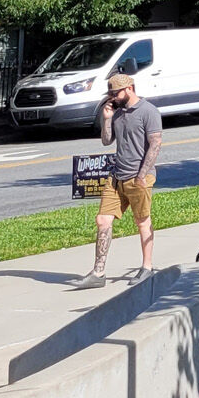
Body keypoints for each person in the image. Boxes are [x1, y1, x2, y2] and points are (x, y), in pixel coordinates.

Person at [78, 72, 162, 289]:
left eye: (116, 93)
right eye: (111, 94)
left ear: (130, 89)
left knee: (142, 221)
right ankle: (98, 273)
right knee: (102, 220)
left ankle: (147, 267)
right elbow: (107, 141)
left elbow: (155, 144)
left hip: (139, 177)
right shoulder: (117, 113)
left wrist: (142, 175)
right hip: (116, 177)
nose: (113, 97)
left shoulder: (148, 111)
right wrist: (106, 119)